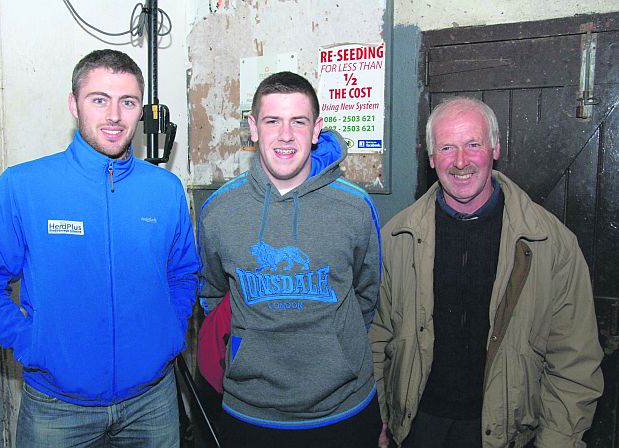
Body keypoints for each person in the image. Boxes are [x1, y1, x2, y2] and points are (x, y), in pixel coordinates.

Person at [0, 49, 199, 447]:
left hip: (152, 402)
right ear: (74, 104)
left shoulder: (165, 189)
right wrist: (32, 343)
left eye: (128, 102)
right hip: (57, 408)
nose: (114, 116)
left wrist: (169, 332)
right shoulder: (25, 186)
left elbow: (183, 273)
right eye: (99, 99)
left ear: (142, 109)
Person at [370, 97, 604, 448]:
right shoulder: (396, 238)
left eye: (473, 145)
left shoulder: (550, 243)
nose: (460, 161)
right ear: (432, 158)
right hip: (417, 428)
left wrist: (557, 441)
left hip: (508, 432)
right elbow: (377, 338)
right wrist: (379, 417)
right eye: (447, 147)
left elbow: (573, 359)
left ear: (495, 148)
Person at [197, 71, 382, 448]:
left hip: (344, 408)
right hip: (250, 411)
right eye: (272, 121)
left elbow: (367, 297)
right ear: (253, 128)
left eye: (298, 121)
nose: (285, 135)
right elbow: (214, 296)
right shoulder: (218, 211)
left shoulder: (356, 207)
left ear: (316, 129)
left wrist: (336, 349)